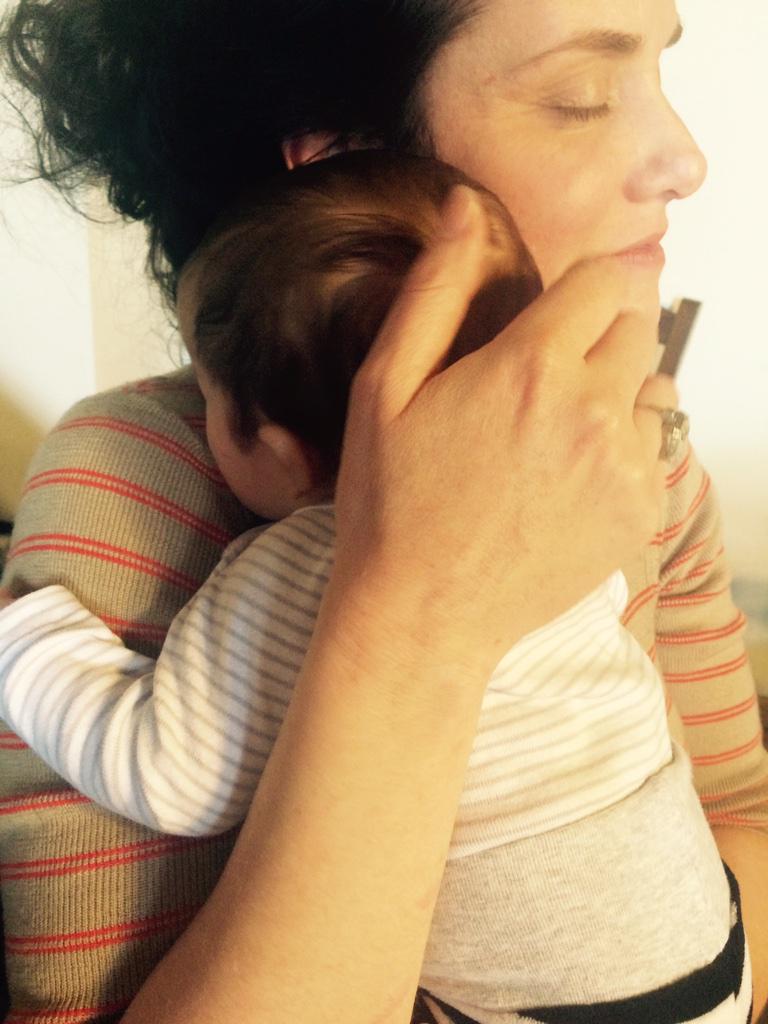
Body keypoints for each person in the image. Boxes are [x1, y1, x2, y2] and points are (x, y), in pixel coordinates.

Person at [1, 1, 766, 1023]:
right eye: (582, 97)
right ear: (347, 171)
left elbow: (740, 818)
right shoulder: (136, 482)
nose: (687, 160)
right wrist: (418, 617)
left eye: (657, 75)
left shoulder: (627, 445)